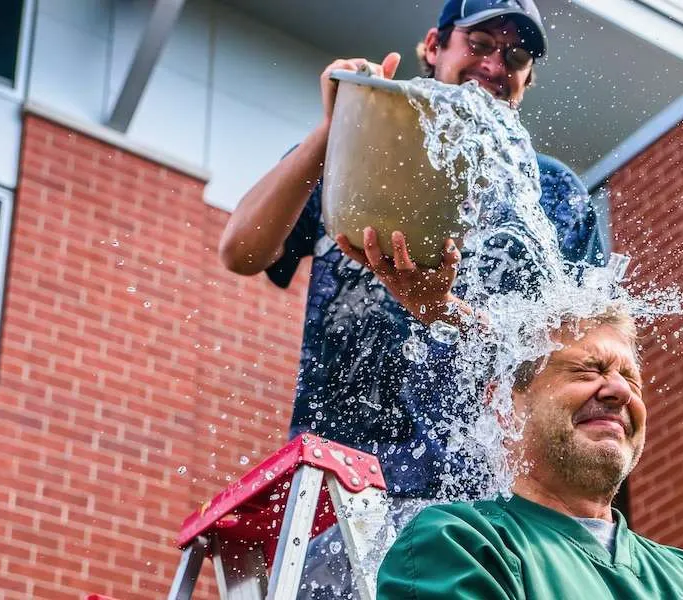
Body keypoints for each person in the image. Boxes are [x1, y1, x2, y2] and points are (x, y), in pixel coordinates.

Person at [217, 0, 606, 596]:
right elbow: (241, 251)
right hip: (346, 493)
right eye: (480, 44)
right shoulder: (368, 137)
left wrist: (446, 310)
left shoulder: (553, 192)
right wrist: (335, 124)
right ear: (434, 46)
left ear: (529, 79)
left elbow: (580, 351)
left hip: (491, 504)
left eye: (517, 54)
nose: (497, 63)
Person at [375, 306, 683, 599]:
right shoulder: (463, 546)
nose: (620, 392)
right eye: (588, 370)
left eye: (631, 379)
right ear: (506, 407)